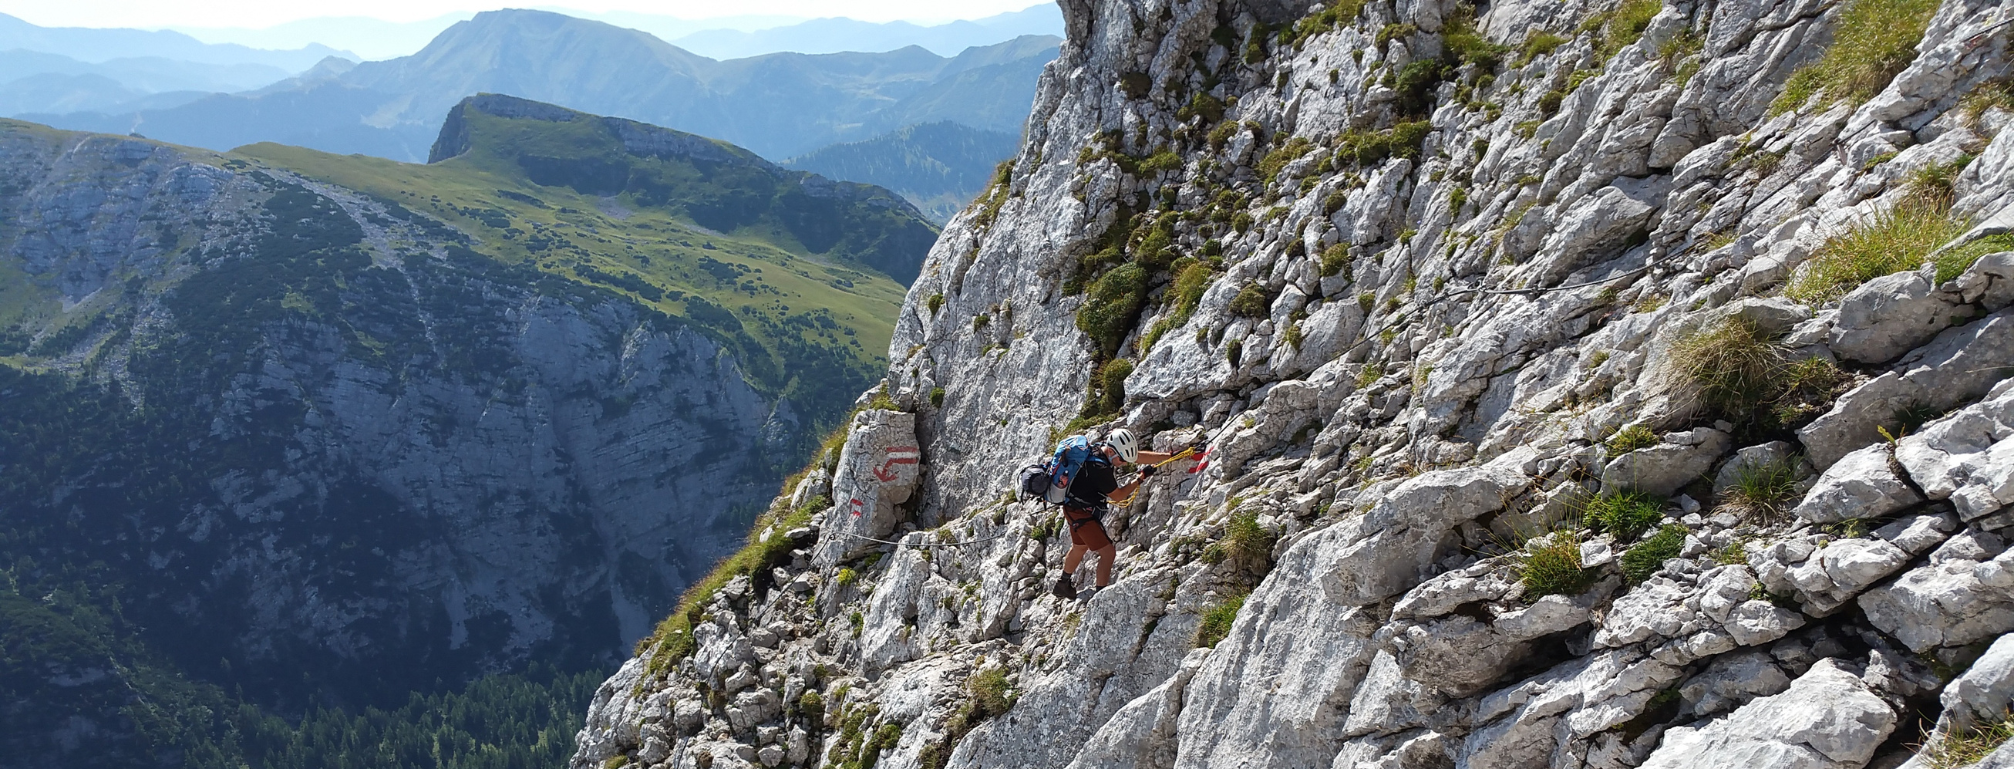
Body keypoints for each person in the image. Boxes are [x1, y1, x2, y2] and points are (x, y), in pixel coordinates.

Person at [1051, 428, 1195, 601]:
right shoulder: (1100, 468)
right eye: (1121, 459)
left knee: (1080, 547)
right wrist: (1140, 479)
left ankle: (1062, 584)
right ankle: (1100, 597)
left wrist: (1168, 456)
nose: (1124, 463)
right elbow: (1118, 496)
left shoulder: (1100, 450)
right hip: (1081, 513)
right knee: (1108, 553)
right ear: (1111, 451)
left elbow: (1136, 456)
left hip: (1073, 508)